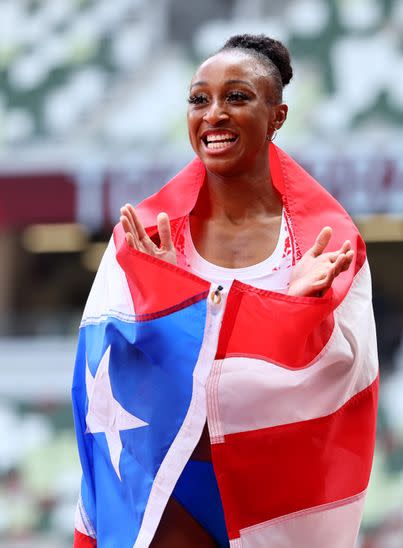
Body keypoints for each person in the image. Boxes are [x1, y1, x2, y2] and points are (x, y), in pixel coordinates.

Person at [73, 34, 378, 548]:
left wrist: (299, 312)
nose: (214, 114)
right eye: (199, 99)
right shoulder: (146, 235)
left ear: (277, 116)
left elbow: (347, 378)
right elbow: (106, 370)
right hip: (172, 477)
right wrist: (162, 298)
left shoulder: (326, 243)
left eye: (237, 97)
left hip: (276, 496)